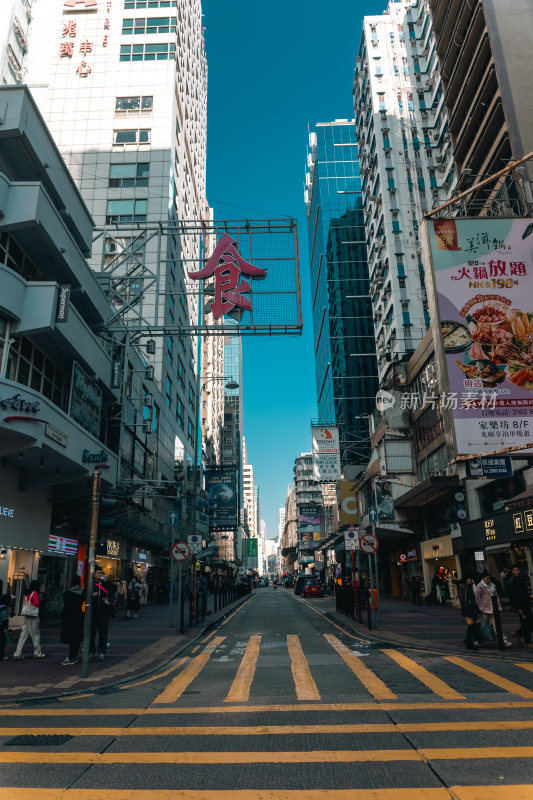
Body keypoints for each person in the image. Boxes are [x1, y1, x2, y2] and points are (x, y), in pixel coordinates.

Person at [475, 571, 512, 647]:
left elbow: (497, 597)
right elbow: (477, 598)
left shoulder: (492, 586)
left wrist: (499, 606)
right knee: (482, 626)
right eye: (487, 578)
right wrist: (480, 607)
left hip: (492, 609)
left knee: (496, 626)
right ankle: (478, 640)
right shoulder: (480, 586)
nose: (489, 580)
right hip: (484, 610)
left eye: (490, 578)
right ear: (483, 578)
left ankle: (504, 641)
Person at [13, 580, 45, 660]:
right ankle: (37, 652)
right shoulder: (35, 593)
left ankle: (17, 653)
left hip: (25, 616)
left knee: (23, 634)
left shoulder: (26, 594)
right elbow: (36, 604)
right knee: (35, 634)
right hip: (32, 616)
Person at [89, 565, 115, 661]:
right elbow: (85, 595)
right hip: (93, 612)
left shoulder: (106, 584)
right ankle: (91, 651)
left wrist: (107, 581)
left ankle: (101, 651)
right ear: (94, 574)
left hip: (104, 612)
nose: (100, 575)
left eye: (101, 573)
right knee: (91, 633)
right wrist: (91, 595)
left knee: (103, 633)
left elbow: (113, 589)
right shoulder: (90, 584)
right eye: (98, 573)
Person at [60, 575, 85, 665]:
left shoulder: (68, 593)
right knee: (77, 638)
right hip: (80, 618)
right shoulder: (83, 593)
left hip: (70, 619)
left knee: (71, 639)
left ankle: (71, 657)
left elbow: (66, 607)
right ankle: (74, 655)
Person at [507, 565, 533, 649]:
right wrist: (518, 608)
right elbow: (513, 596)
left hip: (526, 605)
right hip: (521, 606)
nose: (517, 572)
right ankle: (527, 642)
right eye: (514, 570)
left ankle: (518, 633)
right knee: (526, 623)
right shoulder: (512, 581)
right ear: (512, 571)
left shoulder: (520, 579)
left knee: (529, 622)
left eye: (517, 570)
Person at [458, 576, 480, 651]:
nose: (471, 580)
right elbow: (463, 600)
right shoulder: (463, 587)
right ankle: (469, 643)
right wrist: (467, 609)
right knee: (472, 625)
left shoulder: (470, 587)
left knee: (476, 624)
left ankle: (468, 640)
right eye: (470, 578)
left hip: (472, 608)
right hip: (468, 609)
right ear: (466, 579)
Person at [0, 593, 10, 661]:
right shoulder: (3, 608)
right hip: (0, 626)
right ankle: (1, 656)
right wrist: (5, 628)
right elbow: (4, 619)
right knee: (2, 641)